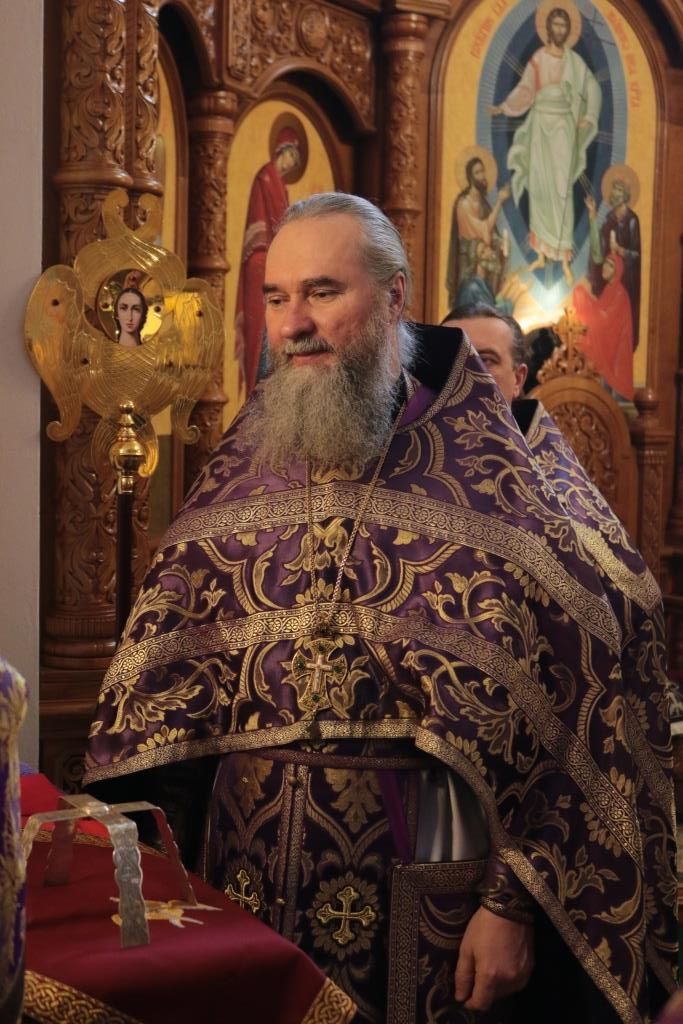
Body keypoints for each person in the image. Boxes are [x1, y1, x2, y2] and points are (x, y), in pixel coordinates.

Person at [85, 194, 676, 1024]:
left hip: (427, 880)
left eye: (322, 291)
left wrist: (510, 905)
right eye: (276, 297)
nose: (293, 324)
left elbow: (578, 698)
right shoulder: (245, 465)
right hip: (245, 873)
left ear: (394, 296)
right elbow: (165, 677)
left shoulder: (489, 474)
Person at [490, 7, 601, 285]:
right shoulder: (539, 58)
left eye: (565, 26)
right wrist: (504, 107)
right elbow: (526, 90)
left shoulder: (574, 62)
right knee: (539, 188)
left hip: (563, 127)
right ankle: (541, 253)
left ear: (568, 31)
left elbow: (593, 89)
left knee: (562, 189)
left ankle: (562, 257)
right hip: (540, 126)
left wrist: (588, 117)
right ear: (549, 28)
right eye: (557, 25)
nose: (560, 30)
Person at [233, 126, 302, 395]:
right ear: (283, 151)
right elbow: (258, 233)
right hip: (260, 266)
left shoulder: (282, 186)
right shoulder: (265, 178)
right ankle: (258, 387)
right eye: (291, 158)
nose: (290, 165)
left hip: (278, 269)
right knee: (260, 332)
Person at [445, 155, 510, 306]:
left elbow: (490, 234)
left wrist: (500, 242)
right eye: (477, 172)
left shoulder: (483, 204)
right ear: (470, 177)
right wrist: (499, 201)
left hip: (483, 267)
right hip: (468, 269)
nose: (482, 176)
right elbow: (483, 230)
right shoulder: (463, 204)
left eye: (483, 171)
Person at [586, 172, 641, 348]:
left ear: (625, 196)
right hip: (609, 282)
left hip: (626, 283)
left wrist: (620, 250)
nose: (614, 193)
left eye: (618, 190)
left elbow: (636, 254)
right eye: (613, 190)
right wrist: (593, 218)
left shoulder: (632, 221)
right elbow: (598, 252)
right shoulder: (609, 220)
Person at [573, 251, 634, 398]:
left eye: (611, 265)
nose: (605, 267)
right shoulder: (609, 289)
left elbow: (605, 319)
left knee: (580, 293)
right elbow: (600, 310)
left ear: (617, 271)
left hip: (612, 345)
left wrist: (586, 297)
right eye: (605, 263)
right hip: (605, 339)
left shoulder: (620, 293)